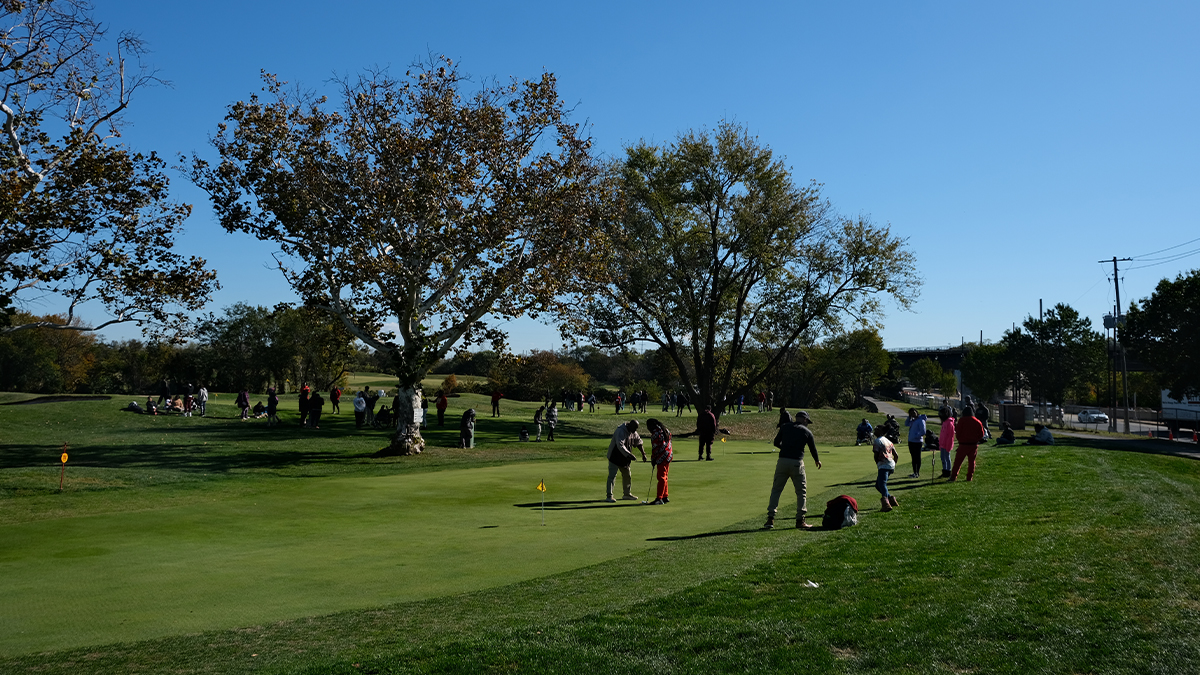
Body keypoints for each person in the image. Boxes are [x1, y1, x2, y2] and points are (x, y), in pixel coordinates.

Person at [763, 410, 822, 529]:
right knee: (801, 492)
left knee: (776, 490)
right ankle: (800, 520)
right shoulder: (807, 432)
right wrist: (817, 460)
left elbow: (776, 442)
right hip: (797, 462)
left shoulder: (785, 427)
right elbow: (812, 449)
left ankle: (770, 519)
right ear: (805, 420)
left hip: (782, 461)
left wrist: (784, 448)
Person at [605, 419, 646, 502]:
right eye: (634, 428)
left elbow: (638, 442)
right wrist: (629, 455)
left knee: (627, 475)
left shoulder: (633, 431)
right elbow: (620, 445)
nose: (635, 430)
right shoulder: (620, 430)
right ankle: (609, 496)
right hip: (615, 457)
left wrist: (643, 454)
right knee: (612, 476)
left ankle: (627, 494)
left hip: (624, 458)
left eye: (636, 429)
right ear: (630, 425)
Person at [951, 406, 986, 481]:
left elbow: (958, 432)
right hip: (973, 444)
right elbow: (981, 434)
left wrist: (960, 439)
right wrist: (977, 439)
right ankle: (969, 477)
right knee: (971, 462)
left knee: (958, 462)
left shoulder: (962, 420)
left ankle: (953, 476)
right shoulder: (977, 421)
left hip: (963, 444)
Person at [872, 425, 899, 512]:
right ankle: (891, 499)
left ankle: (886, 503)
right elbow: (896, 455)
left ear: (881, 431)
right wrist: (894, 464)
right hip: (891, 464)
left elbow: (876, 455)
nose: (875, 430)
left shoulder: (877, 441)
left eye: (877, 429)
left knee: (882, 484)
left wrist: (877, 463)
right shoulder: (888, 441)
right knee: (878, 485)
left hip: (884, 465)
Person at [647, 418, 673, 504]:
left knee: (661, 477)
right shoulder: (665, 430)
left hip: (661, 457)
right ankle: (665, 496)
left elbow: (655, 448)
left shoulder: (655, 433)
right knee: (665, 476)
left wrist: (653, 459)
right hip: (668, 455)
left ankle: (659, 498)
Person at [905, 408, 928, 478]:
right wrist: (909, 417)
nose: (912, 414)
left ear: (916, 412)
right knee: (913, 457)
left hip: (917, 442)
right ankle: (914, 472)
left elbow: (923, 431)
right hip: (911, 441)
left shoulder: (921, 420)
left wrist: (916, 436)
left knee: (917, 457)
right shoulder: (912, 420)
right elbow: (906, 424)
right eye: (911, 413)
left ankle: (917, 472)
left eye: (913, 412)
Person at [938, 408, 956, 478]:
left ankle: (948, 471)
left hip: (947, 444)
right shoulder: (944, 422)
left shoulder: (949, 423)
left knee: (947, 457)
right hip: (942, 444)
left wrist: (948, 445)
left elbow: (950, 436)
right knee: (942, 457)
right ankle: (944, 470)